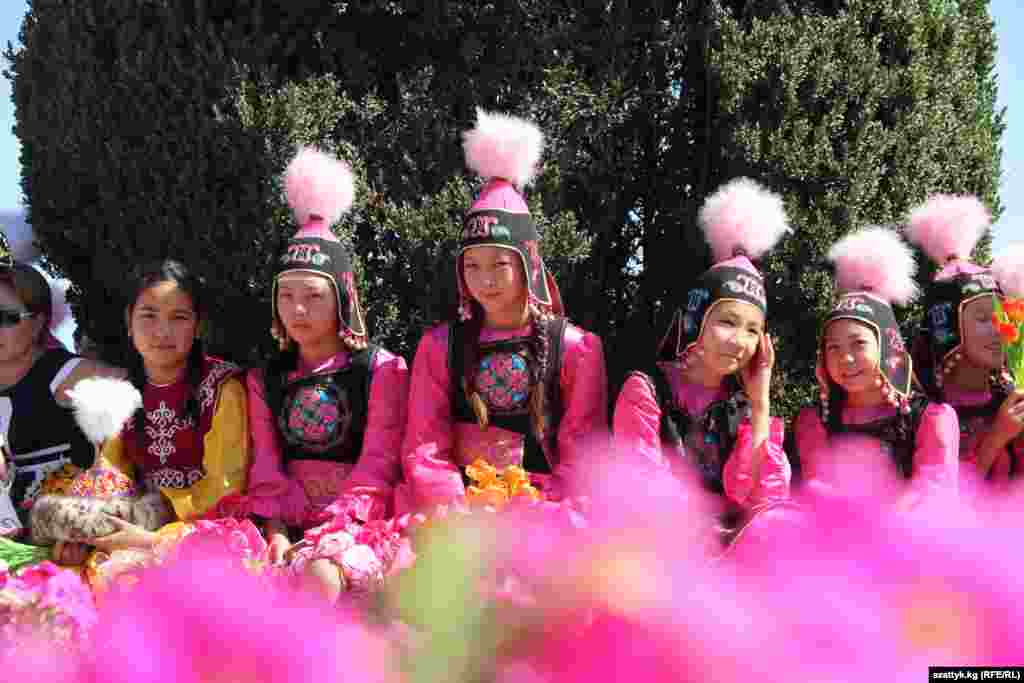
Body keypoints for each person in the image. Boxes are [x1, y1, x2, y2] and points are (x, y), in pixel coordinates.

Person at [402, 110, 608, 511]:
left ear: (528, 263)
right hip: (455, 510)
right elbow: (424, 446)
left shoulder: (575, 348)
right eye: (472, 265)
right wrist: (455, 508)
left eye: (500, 264)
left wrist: (529, 509)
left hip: (543, 509)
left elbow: (582, 454)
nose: (486, 280)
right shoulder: (438, 346)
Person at [244, 147, 410, 601]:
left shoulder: (382, 370)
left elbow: (378, 463)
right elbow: (266, 468)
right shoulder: (264, 380)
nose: (298, 310)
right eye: (287, 295)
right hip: (282, 525)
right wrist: (277, 530)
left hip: (360, 524)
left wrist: (330, 528)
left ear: (343, 297)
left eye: (314, 296)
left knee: (320, 576)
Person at [612, 177, 791, 546]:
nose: (740, 341)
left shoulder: (743, 407)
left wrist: (760, 404)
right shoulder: (646, 392)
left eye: (752, 330)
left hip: (728, 553)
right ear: (695, 321)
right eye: (727, 322)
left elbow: (757, 497)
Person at [792, 227, 959, 510]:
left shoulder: (929, 419)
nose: (845, 358)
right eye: (833, 347)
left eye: (858, 344)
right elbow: (816, 487)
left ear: (887, 346)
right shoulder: (816, 420)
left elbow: (933, 490)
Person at [0, 233, 125, 562]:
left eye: (7, 319)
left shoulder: (65, 374)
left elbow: (137, 398)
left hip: (73, 520)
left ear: (39, 321)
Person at [907, 194, 1022, 486]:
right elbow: (941, 501)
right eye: (984, 319)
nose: (999, 328)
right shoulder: (919, 413)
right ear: (949, 330)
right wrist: (998, 435)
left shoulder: (1011, 397)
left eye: (1001, 317)